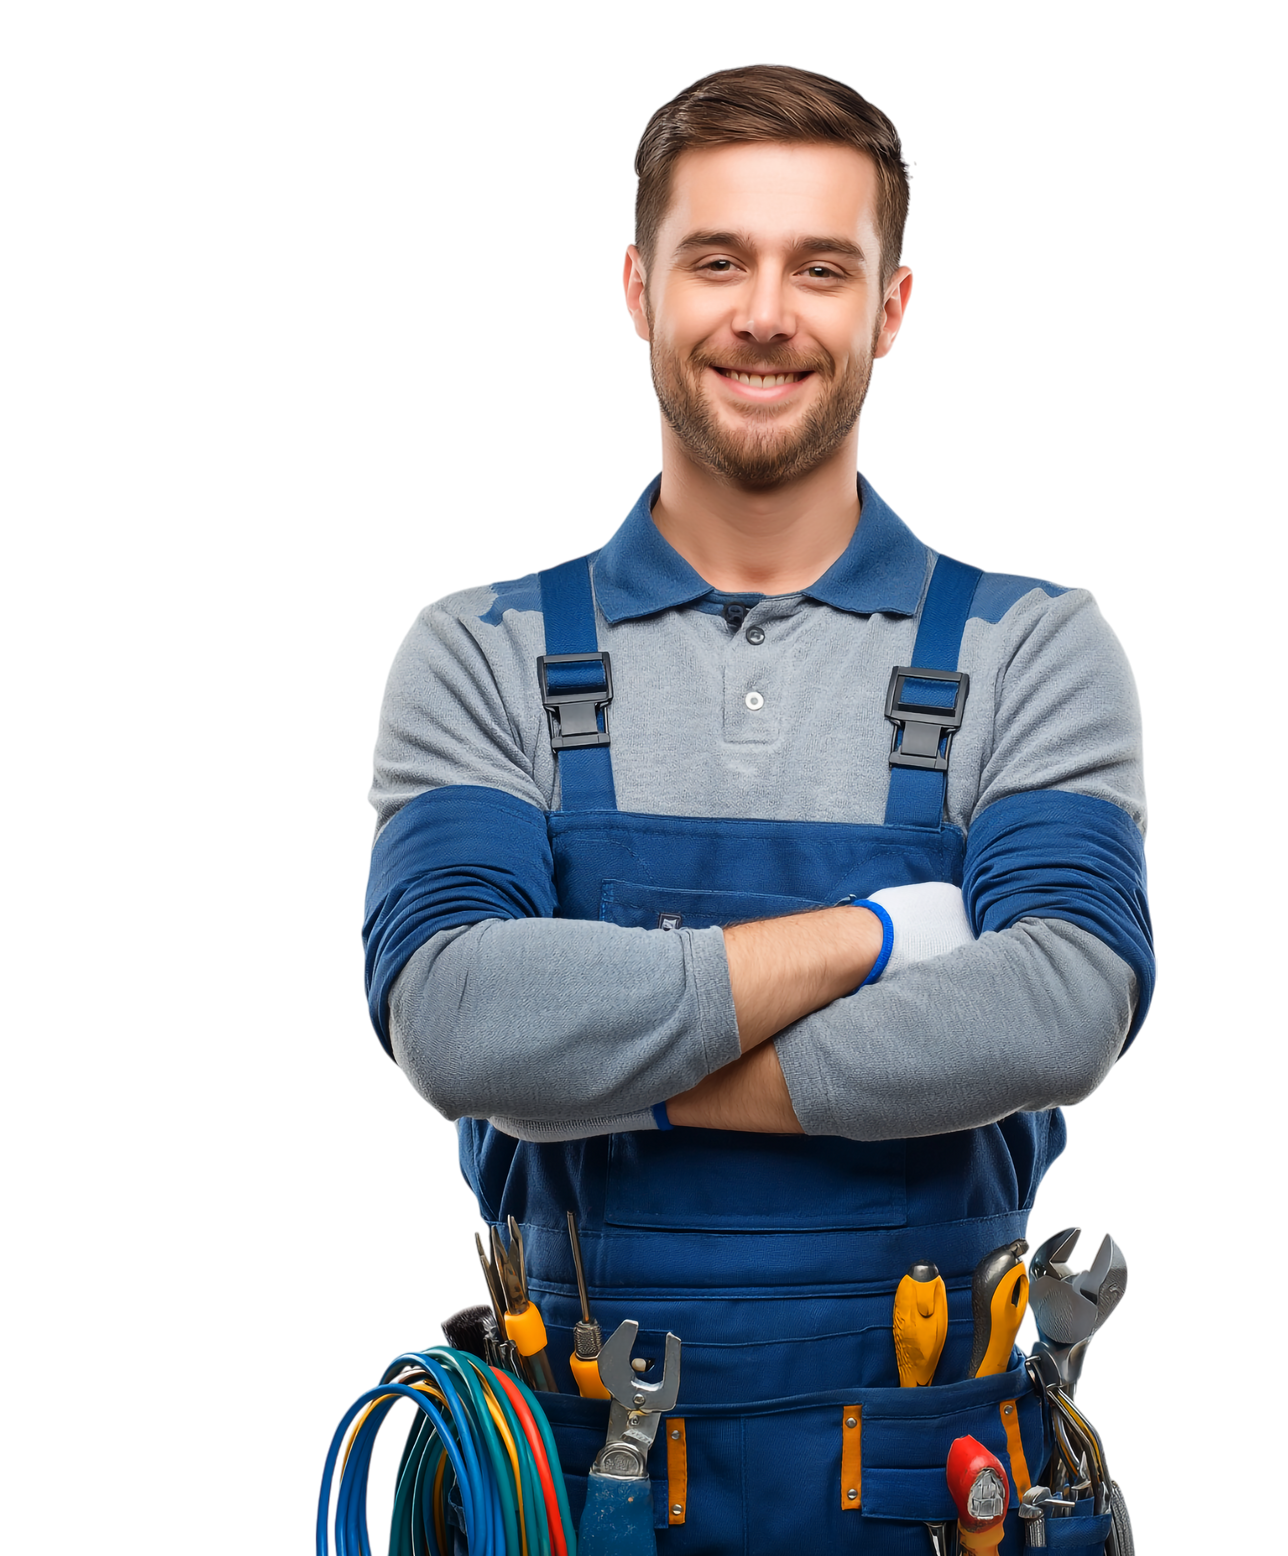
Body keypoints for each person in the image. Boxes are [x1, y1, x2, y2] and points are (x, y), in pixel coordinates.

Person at [359, 61, 1157, 1552]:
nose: (767, 313)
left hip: (934, 1488)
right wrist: (875, 936)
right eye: (717, 258)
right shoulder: (479, 651)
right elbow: (454, 1019)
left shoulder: (1037, 646)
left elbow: (1063, 1003)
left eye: (821, 266)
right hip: (561, 1478)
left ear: (893, 310)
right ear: (638, 291)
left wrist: (604, 1064)